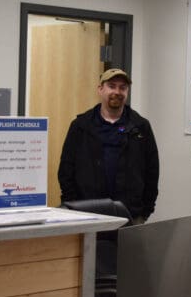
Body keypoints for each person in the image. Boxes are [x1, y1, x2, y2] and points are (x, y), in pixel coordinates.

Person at [58, 68, 159, 225]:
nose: (117, 91)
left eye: (122, 87)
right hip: (86, 213)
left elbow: (152, 171)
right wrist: (72, 204)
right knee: (90, 251)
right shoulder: (81, 126)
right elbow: (66, 169)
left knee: (127, 251)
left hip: (130, 215)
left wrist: (146, 210)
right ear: (100, 89)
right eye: (112, 86)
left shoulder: (141, 127)